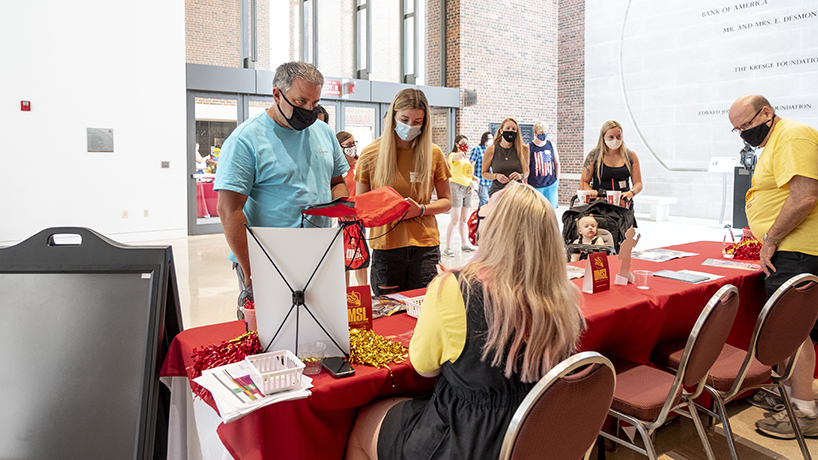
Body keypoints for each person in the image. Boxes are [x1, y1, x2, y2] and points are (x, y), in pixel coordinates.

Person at [344, 181, 585, 460]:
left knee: (365, 421)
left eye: (481, 216)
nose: (476, 220)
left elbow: (424, 368)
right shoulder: (565, 298)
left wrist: (446, 294)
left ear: (494, 230)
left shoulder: (456, 289)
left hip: (467, 440)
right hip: (538, 437)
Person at [215, 62, 349, 294]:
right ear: (277, 94)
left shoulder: (324, 132)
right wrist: (251, 269)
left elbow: (337, 183)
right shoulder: (245, 140)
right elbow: (229, 210)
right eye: (300, 102)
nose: (309, 110)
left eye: (315, 103)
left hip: (318, 254)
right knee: (270, 329)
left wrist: (341, 208)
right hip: (266, 256)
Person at [727, 94, 818, 438]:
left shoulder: (792, 135)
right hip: (790, 248)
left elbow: (805, 195)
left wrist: (771, 237)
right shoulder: (776, 142)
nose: (743, 133)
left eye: (746, 125)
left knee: (792, 330)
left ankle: (804, 411)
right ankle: (793, 397)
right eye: (737, 130)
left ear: (766, 112)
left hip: (797, 249)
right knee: (793, 330)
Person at [355, 88, 452, 296]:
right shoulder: (370, 154)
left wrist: (421, 210)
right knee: (390, 315)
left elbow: (446, 201)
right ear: (392, 117)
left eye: (418, 122)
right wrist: (388, 209)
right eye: (405, 119)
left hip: (425, 247)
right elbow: (361, 208)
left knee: (425, 311)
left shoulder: (433, 153)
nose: (410, 126)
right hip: (387, 247)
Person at [581, 120, 643, 206]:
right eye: (611, 137)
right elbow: (583, 182)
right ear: (603, 137)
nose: (615, 140)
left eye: (619, 136)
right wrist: (591, 192)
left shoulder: (631, 156)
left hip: (623, 204)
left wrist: (631, 193)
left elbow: (638, 183)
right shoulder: (593, 156)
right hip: (599, 204)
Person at [337, 131, 369, 287]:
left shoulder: (361, 165)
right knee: (344, 262)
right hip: (342, 222)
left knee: (360, 259)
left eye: (353, 143)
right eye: (347, 145)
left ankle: (363, 294)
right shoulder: (337, 169)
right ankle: (345, 297)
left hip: (360, 220)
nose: (352, 148)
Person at [443, 135, 476, 257]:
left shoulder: (466, 159)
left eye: (467, 143)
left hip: (467, 188)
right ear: (457, 144)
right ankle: (448, 247)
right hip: (456, 187)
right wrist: (459, 154)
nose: (465, 145)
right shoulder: (453, 155)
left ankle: (465, 244)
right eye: (462, 143)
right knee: (455, 219)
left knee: (464, 219)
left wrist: (473, 178)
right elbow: (454, 159)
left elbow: (466, 173)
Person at [482, 118, 529, 197]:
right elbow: (484, 173)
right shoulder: (491, 150)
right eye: (508, 128)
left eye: (514, 129)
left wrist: (521, 176)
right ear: (501, 131)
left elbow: (527, 171)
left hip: (517, 192)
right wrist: (496, 176)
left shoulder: (524, 149)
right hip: (498, 192)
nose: (511, 130)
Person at [528, 121, 560, 208]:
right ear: (535, 133)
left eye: (545, 132)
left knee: (551, 210)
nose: (544, 134)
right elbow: (526, 167)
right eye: (541, 132)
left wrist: (557, 179)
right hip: (535, 184)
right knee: (536, 210)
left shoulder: (551, 144)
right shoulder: (529, 147)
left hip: (551, 183)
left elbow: (556, 163)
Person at [469, 131, 493, 207]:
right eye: (489, 138)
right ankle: (482, 218)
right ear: (484, 139)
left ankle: (479, 217)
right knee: (485, 201)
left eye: (492, 138)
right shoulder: (477, 149)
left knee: (488, 203)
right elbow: (471, 164)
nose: (490, 140)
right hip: (481, 181)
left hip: (491, 181)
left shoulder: (492, 150)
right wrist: (472, 178)